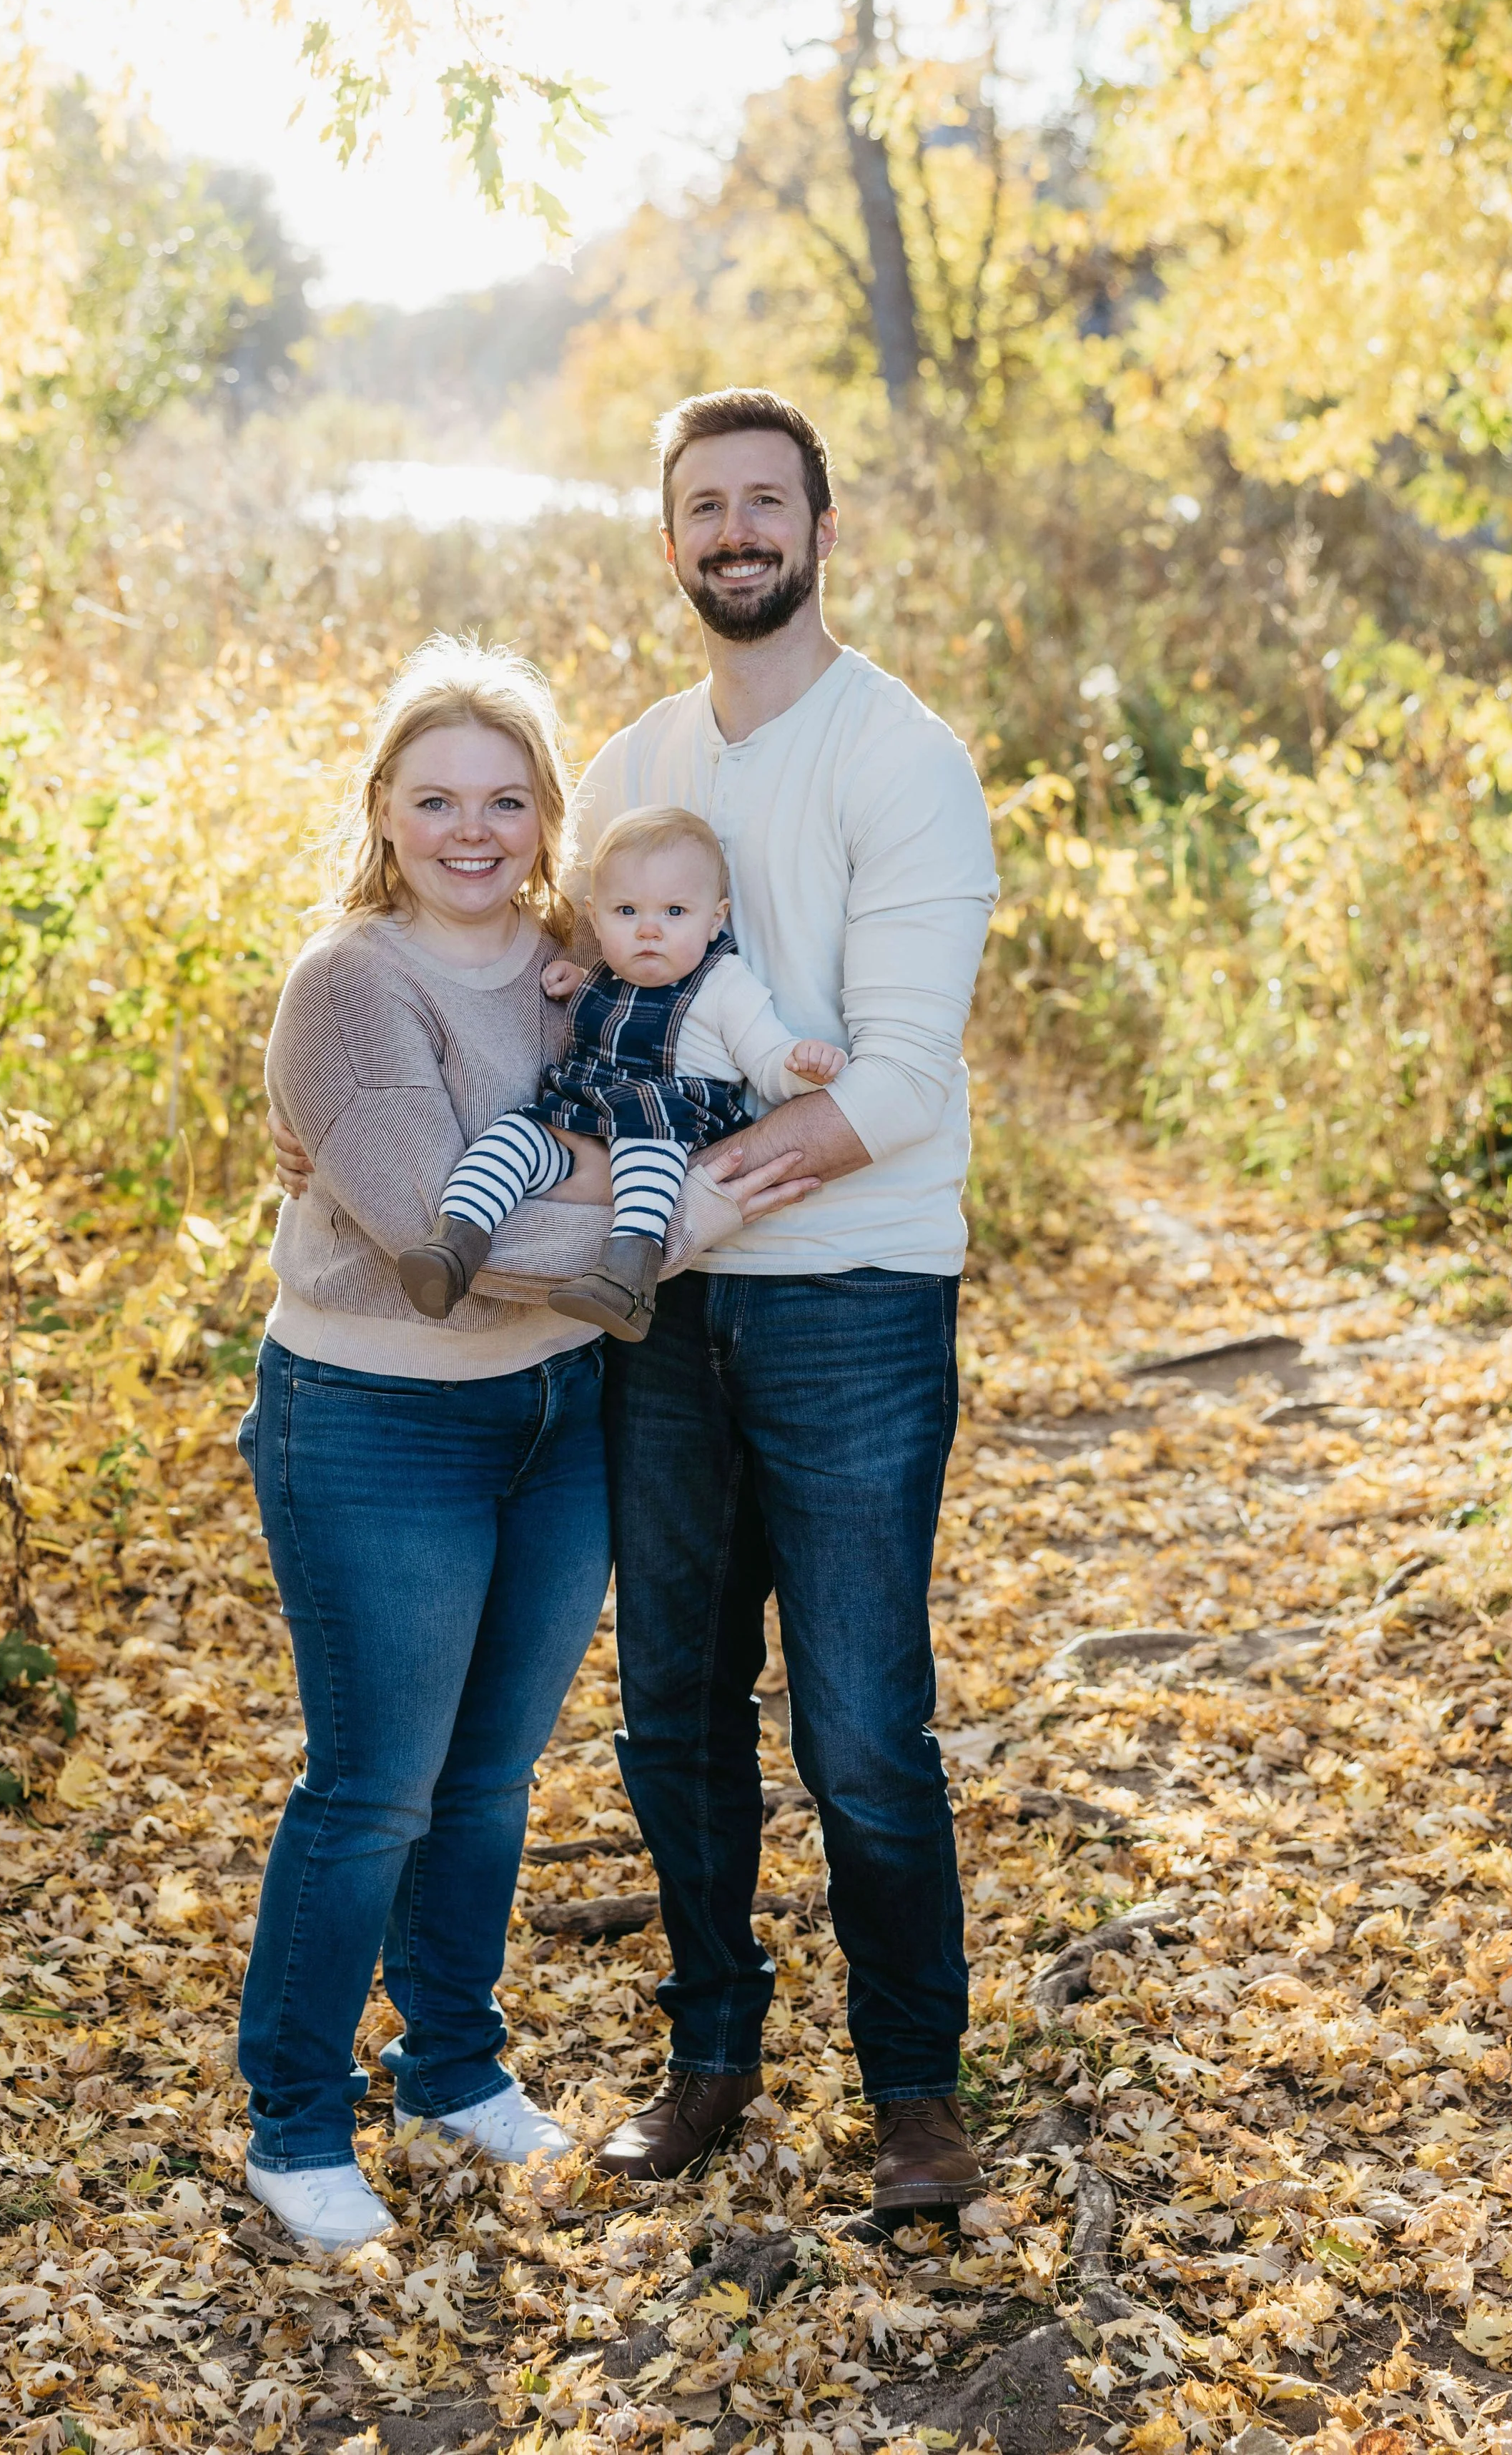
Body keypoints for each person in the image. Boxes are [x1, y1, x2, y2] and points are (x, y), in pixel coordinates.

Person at [273, 391, 999, 2225]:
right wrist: (364, 1142)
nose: (737, 530)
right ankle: (710, 2054)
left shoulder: (902, 758)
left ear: (821, 529)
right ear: (669, 541)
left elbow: (899, 1075)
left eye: (769, 501)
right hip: (647, 1324)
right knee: (672, 1708)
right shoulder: (628, 761)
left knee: (858, 1722)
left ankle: (914, 2092)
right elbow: (546, 1016)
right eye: (706, 506)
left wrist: (677, 1202)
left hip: (845, 1296)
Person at [238, 634, 811, 2251]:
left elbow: (702, 1049)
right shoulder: (351, 981)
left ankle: (453, 2066)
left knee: (488, 1779)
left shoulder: (585, 955)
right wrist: (668, 1221)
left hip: (561, 1408)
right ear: (384, 809)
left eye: (505, 797)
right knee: (375, 1789)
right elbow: (432, 1218)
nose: (473, 828)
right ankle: (294, 2119)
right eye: (438, 799)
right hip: (376, 1416)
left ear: (550, 811)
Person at [397, 805, 846, 1341]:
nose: (650, 931)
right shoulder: (605, 973)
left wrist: (800, 1067)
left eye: (675, 912)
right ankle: (456, 1242)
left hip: (667, 1121)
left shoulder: (727, 985)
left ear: (716, 918)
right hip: (579, 1113)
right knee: (511, 1135)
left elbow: (766, 1061)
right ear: (596, 916)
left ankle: (626, 1277)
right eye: (627, 911)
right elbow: (611, 1007)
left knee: (645, 1149)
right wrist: (580, 981)